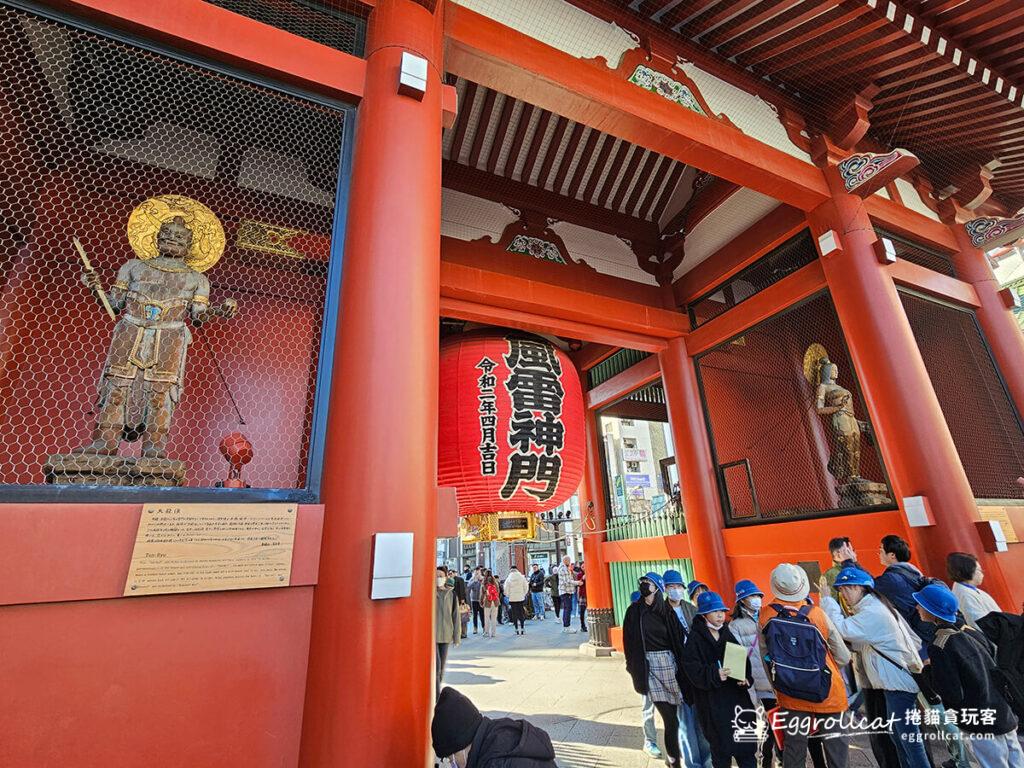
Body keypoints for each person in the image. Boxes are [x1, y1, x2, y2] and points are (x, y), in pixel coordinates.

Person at [876, 535, 971, 768]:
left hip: (920, 652)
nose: (878, 553)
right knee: (936, 707)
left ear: (892, 555)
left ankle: (961, 759)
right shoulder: (915, 573)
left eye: (881, 550)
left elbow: (870, 589)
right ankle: (960, 757)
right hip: (930, 647)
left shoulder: (891, 581)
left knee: (935, 709)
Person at [819, 567, 929, 768]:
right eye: (841, 591)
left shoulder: (873, 612)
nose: (843, 595)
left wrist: (827, 601)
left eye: (845, 589)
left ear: (859, 588)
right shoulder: (878, 607)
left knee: (909, 740)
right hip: (895, 683)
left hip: (898, 684)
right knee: (901, 738)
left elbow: (841, 628)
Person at [914, 583, 1024, 768]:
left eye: (921, 604)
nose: (917, 608)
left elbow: (951, 693)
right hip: (1003, 710)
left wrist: (927, 672)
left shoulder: (940, 645)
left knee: (993, 764)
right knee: (1016, 761)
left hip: (978, 718)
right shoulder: (971, 631)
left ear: (932, 611)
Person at [759, 563, 851, 768]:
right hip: (827, 691)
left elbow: (765, 658)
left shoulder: (765, 616)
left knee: (794, 748)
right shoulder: (817, 614)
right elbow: (843, 656)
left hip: (790, 694)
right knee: (836, 749)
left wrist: (780, 685)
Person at [682, 590, 757, 768]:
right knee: (721, 754)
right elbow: (692, 670)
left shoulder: (726, 633)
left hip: (737, 702)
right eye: (715, 611)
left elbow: (742, 661)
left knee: (746, 752)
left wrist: (745, 679)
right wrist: (714, 674)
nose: (720, 615)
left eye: (722, 611)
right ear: (704, 614)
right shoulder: (694, 639)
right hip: (713, 705)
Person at [624, 572, 691, 768]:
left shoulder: (667, 612)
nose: (644, 585)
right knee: (668, 715)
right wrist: (632, 666)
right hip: (647, 666)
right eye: (643, 582)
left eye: (649, 583)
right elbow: (628, 641)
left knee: (674, 720)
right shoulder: (634, 611)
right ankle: (672, 758)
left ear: (657, 587)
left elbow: (678, 641)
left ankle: (673, 759)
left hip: (669, 664)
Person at [432, 687, 557, 768]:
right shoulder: (497, 733)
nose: (454, 766)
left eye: (452, 761)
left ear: (461, 748)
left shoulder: (495, 763)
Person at [664, 569, 712, 768]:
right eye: (671, 587)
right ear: (665, 589)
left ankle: (707, 760)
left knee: (703, 719)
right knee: (685, 721)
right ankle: (692, 763)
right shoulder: (662, 612)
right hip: (677, 672)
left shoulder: (690, 610)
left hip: (696, 668)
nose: (676, 590)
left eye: (678, 587)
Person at [729, 580, 776, 768]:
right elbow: (734, 661)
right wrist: (746, 686)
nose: (756, 599)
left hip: (774, 683)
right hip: (757, 686)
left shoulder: (767, 617)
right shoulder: (735, 626)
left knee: (777, 726)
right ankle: (764, 762)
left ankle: (779, 759)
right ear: (742, 600)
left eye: (757, 596)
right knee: (765, 727)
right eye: (751, 596)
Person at [630, 589, 664, 760]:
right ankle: (649, 741)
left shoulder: (660, 615)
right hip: (644, 669)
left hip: (665, 667)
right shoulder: (633, 621)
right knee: (648, 706)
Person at [947, 552, 1001, 630]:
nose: (982, 573)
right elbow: (978, 624)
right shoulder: (965, 595)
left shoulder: (968, 590)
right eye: (979, 570)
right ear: (968, 571)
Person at [436, 566, 461, 699]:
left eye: (440, 576)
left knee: (441, 669)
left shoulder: (451, 594)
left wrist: (457, 636)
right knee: (436, 666)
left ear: (445, 577)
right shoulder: (429, 593)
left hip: (445, 635)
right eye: (436, 576)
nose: (438, 579)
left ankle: (437, 693)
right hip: (432, 637)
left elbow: (455, 616)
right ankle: (436, 695)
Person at [503, 565, 530, 636]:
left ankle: (516, 629)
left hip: (512, 598)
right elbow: (526, 586)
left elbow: (506, 589)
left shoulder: (509, 578)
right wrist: (523, 594)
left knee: (514, 613)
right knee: (521, 613)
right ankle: (523, 628)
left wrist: (508, 595)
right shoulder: (521, 577)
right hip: (520, 598)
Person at [557, 556, 580, 634]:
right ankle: (567, 627)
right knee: (568, 609)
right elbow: (567, 581)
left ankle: (566, 627)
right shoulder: (563, 569)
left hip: (567, 591)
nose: (570, 562)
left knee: (567, 609)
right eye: (569, 560)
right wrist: (577, 582)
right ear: (565, 560)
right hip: (565, 591)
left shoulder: (565, 568)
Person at [481, 571, 500, 639]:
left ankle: (486, 632)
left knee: (487, 618)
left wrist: (481, 602)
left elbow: (482, 594)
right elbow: (498, 592)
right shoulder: (495, 582)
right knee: (494, 618)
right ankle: (493, 633)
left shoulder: (484, 583)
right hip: (495, 602)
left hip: (487, 602)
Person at [452, 567, 469, 640]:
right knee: (457, 618)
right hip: (453, 601)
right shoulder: (450, 580)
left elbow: (462, 590)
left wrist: (462, 600)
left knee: (463, 618)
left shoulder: (460, 579)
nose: (450, 575)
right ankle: (458, 633)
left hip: (460, 601)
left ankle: (464, 633)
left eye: (451, 573)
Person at [468, 567, 484, 635]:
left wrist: (480, 581)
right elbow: (468, 587)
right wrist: (474, 581)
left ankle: (484, 627)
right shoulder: (472, 579)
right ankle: (475, 628)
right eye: (475, 573)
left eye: (478, 572)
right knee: (474, 615)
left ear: (480, 572)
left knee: (482, 614)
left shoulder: (482, 579)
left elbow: (485, 587)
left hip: (481, 599)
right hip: (474, 599)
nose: (477, 574)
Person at [575, 562, 588, 633]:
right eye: (582, 567)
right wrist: (583, 578)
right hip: (583, 594)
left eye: (585, 566)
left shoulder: (590, 572)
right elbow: (579, 584)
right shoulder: (579, 574)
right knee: (582, 611)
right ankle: (582, 625)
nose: (584, 568)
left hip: (590, 593)